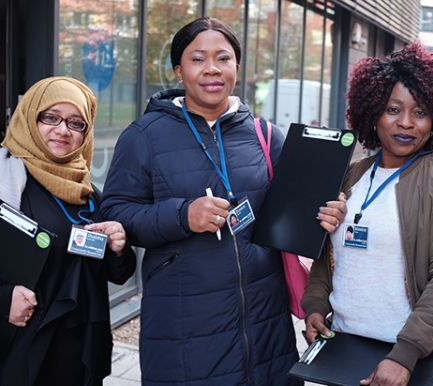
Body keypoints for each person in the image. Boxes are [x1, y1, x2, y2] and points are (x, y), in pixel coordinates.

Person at [100, 17, 344, 386]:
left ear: (237, 67)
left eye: (223, 58)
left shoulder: (264, 135)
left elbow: (296, 211)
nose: (212, 69)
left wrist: (327, 213)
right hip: (184, 334)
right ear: (179, 71)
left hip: (266, 332)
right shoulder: (144, 136)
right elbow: (117, 213)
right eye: (198, 59)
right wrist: (183, 215)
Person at [0, 77, 137, 386]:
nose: (63, 130)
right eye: (51, 116)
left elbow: (116, 274)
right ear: (30, 117)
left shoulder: (89, 196)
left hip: (75, 356)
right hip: (7, 354)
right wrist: (0, 299)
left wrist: (119, 248)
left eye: (77, 123)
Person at [301, 41, 433, 386]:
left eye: (420, 112)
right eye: (394, 109)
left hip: (414, 360)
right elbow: (328, 257)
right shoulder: (350, 174)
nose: (407, 123)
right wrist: (314, 306)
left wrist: (404, 355)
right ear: (373, 112)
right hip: (347, 348)